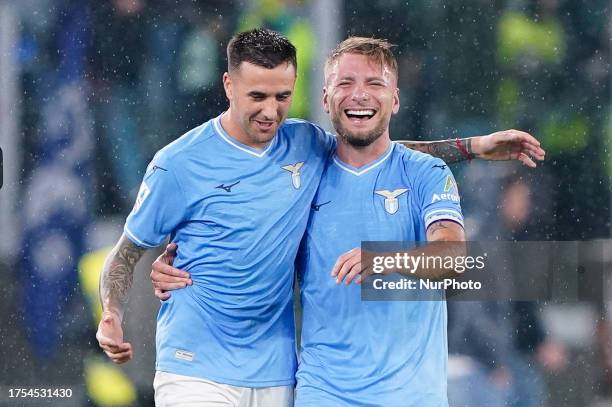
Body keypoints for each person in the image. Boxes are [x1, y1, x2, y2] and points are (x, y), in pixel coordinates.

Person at [98, 28, 544, 406]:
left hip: (319, 381)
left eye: (282, 97)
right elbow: (130, 253)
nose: (270, 111)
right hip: (252, 378)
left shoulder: (366, 160)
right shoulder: (203, 163)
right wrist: (130, 299)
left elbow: (440, 241)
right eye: (257, 95)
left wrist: (471, 149)